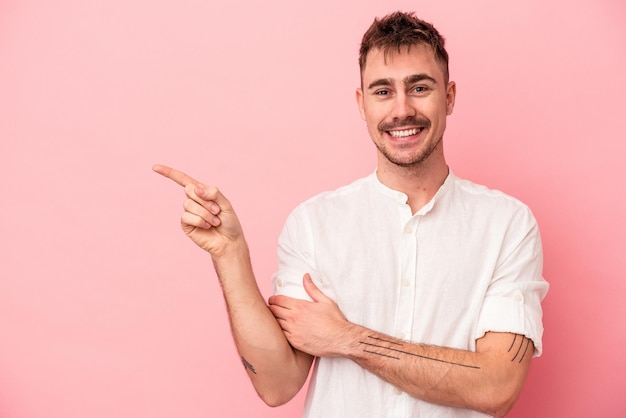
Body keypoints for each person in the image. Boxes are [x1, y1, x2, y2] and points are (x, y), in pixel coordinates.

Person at [153, 11, 548, 418]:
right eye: (382, 91)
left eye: (419, 87)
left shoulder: (507, 225)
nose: (401, 110)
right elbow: (276, 384)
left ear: (448, 96)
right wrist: (230, 254)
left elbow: (497, 386)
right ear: (362, 103)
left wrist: (347, 338)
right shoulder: (313, 225)